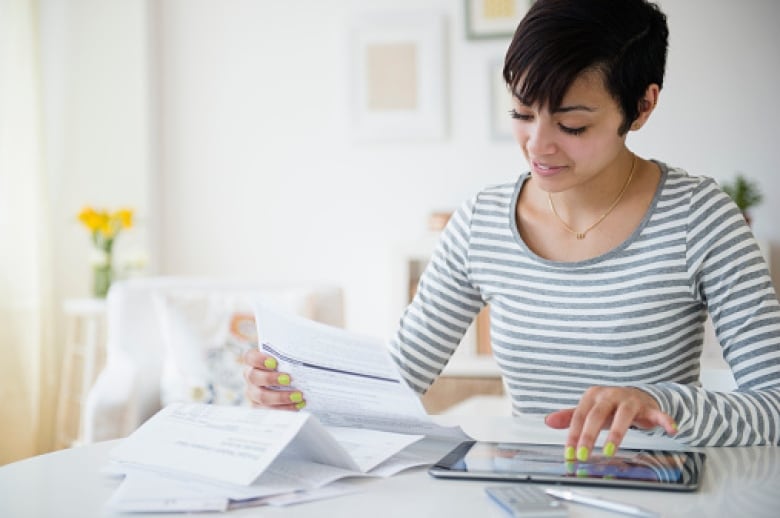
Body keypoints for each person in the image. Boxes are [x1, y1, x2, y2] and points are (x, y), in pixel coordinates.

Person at [244, 0, 780, 461]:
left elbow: (773, 405)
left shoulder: (700, 218)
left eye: (572, 125)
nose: (538, 146)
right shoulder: (482, 222)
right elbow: (396, 382)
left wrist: (658, 402)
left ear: (642, 106)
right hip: (524, 493)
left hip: (653, 494)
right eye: (523, 112)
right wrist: (297, 391)